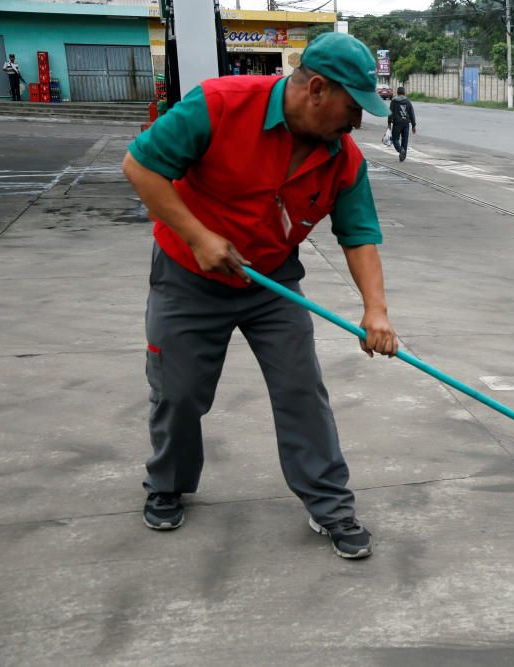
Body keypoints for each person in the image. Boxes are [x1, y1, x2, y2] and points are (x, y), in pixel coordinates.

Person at [121, 32, 398, 560]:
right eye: (351, 107)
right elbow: (140, 166)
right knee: (178, 391)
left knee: (301, 391)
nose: (356, 122)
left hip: (271, 282)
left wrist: (376, 310)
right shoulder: (220, 105)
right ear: (316, 89)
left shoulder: (342, 157)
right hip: (188, 276)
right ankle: (168, 483)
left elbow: (359, 234)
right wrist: (199, 237)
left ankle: (331, 505)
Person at [387, 86, 416, 161]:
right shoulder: (408, 101)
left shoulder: (394, 101)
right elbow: (412, 113)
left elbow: (390, 113)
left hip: (397, 123)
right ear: (404, 93)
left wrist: (389, 123)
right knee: (405, 140)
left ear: (397, 93)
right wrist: (413, 125)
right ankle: (403, 156)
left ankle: (400, 150)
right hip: (406, 123)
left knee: (395, 139)